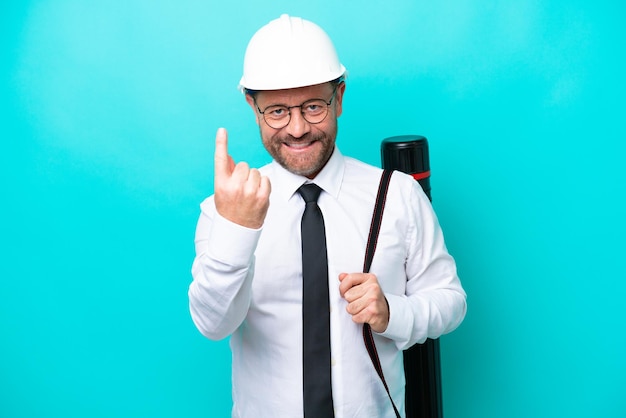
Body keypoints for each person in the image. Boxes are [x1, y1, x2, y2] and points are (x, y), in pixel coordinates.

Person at [189, 14, 466, 418]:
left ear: (339, 98)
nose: (298, 128)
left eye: (314, 106)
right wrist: (237, 229)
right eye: (278, 112)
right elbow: (212, 324)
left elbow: (451, 301)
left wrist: (392, 312)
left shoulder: (397, 195)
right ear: (253, 106)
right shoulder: (226, 208)